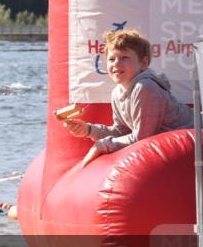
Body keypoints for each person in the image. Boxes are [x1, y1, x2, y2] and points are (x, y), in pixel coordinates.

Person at [63, 29, 194, 165]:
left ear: (144, 63)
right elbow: (122, 131)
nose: (116, 64)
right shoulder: (117, 92)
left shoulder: (145, 88)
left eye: (124, 58)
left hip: (196, 137)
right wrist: (89, 130)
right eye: (111, 59)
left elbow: (142, 139)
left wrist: (104, 145)